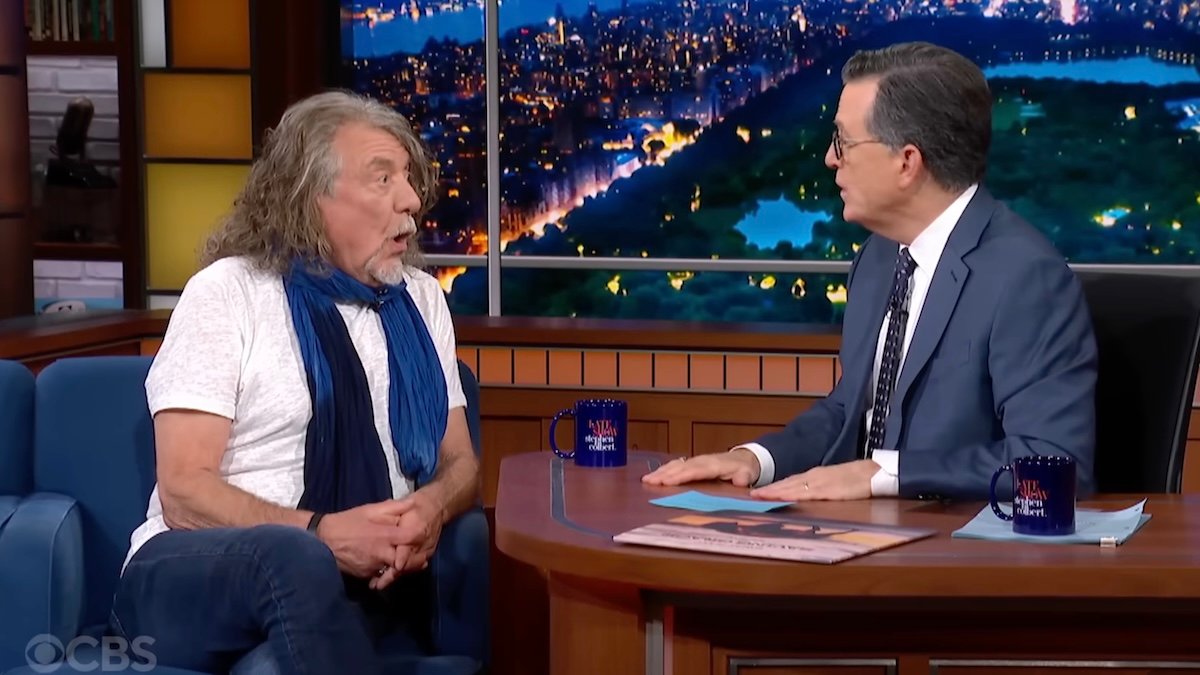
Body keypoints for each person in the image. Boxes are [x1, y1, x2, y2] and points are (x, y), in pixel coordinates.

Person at [110, 91, 480, 675]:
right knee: (295, 557)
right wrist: (321, 533)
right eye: (383, 179)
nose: (411, 200)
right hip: (196, 572)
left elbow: (459, 462)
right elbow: (183, 491)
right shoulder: (229, 293)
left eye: (408, 177)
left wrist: (431, 507)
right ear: (311, 197)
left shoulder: (422, 300)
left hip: (347, 590)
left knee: (282, 652)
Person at [644, 42, 1097, 502]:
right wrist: (756, 459)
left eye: (843, 141)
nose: (830, 157)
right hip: (860, 531)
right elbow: (851, 411)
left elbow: (1055, 462)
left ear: (907, 162)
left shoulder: (1025, 277)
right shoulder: (878, 258)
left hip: (954, 539)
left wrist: (884, 475)